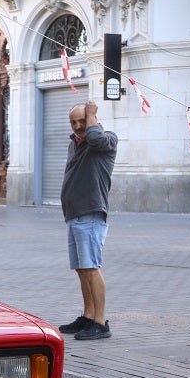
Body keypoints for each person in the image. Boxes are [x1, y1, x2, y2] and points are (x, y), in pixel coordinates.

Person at [58, 99, 117, 341]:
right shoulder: (75, 144)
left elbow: (97, 139)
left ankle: (101, 322)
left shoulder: (106, 140)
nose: (78, 126)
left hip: (91, 213)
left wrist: (92, 115)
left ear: (92, 118)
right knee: (82, 269)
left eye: (82, 120)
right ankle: (88, 316)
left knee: (91, 268)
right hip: (74, 214)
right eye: (73, 122)